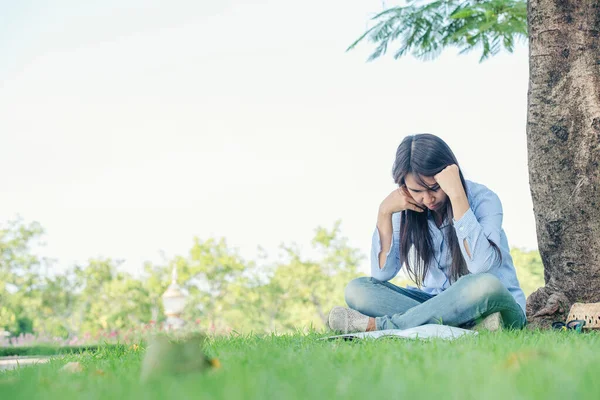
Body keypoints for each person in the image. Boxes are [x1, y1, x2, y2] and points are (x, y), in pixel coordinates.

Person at [327, 134, 527, 334]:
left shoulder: (484, 200)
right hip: (436, 303)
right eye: (417, 191)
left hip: (494, 304)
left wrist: (457, 195)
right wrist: (384, 212)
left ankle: (382, 327)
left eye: (435, 188)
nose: (428, 198)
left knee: (485, 284)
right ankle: (462, 328)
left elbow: (480, 265)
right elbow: (381, 274)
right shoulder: (407, 207)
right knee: (358, 290)